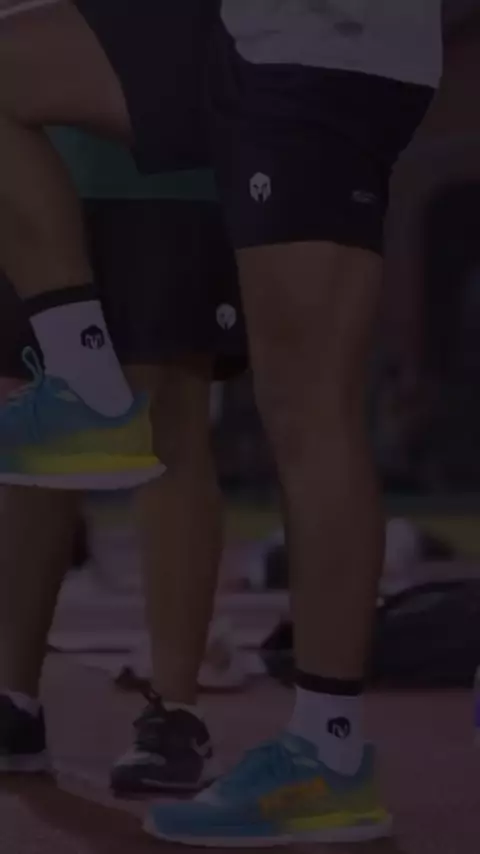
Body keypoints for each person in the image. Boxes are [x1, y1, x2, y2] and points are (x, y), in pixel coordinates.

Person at [0, 0, 442, 845]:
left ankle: (326, 752)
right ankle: (86, 380)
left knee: (307, 408)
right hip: (247, 31)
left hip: (321, 50)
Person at [0, 123, 247, 794]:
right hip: (42, 164)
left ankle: (175, 713)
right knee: (45, 422)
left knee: (170, 422)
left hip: (167, 162)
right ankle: (13, 701)